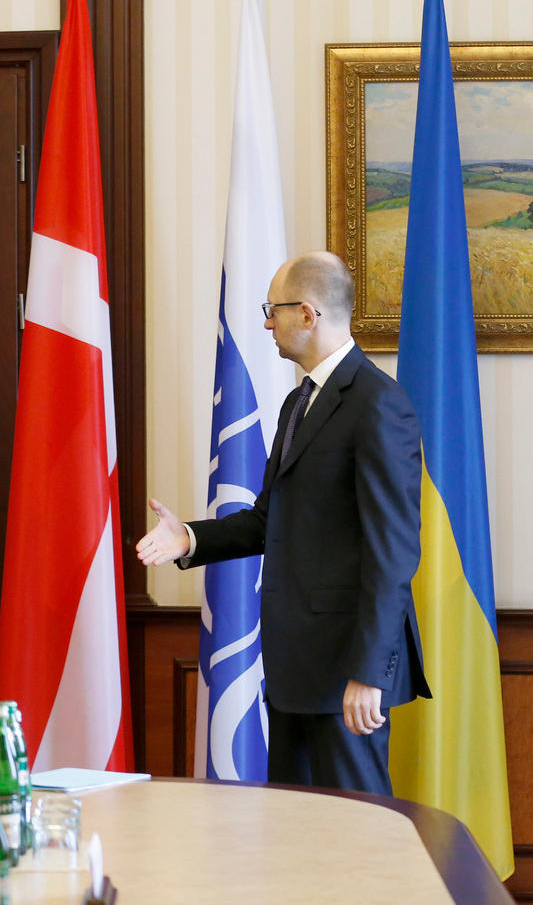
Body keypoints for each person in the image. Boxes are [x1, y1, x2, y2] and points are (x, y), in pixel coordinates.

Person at [137, 251, 430, 796]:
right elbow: (268, 520)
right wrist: (189, 537)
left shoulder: (377, 405)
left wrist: (368, 672)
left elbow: (393, 553)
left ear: (308, 313)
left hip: (347, 672)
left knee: (355, 833)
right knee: (297, 833)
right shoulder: (299, 402)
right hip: (296, 667)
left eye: (272, 310)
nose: (267, 323)